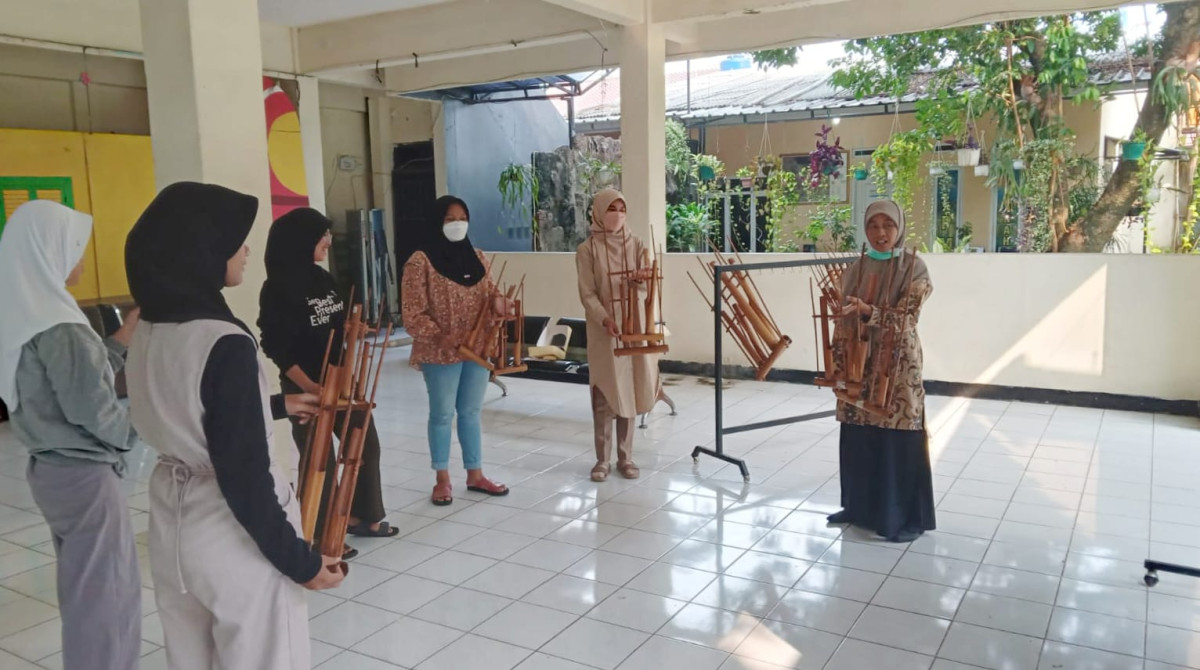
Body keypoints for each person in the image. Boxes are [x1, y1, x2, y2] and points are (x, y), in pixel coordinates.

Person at [124, 182, 344, 670]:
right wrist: (301, 563)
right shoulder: (223, 341)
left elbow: (188, 411)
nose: (246, 250)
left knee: (191, 658)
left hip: (173, 526)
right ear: (202, 249)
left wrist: (278, 405)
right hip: (231, 537)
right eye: (235, 239)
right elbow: (243, 476)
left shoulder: (150, 330)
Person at [0, 200, 142, 670]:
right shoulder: (61, 325)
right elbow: (93, 409)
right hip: (84, 477)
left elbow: (76, 379)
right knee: (107, 599)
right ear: (50, 251)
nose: (80, 258)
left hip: (51, 470)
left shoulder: (26, 315)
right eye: (75, 247)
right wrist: (141, 429)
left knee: (85, 591)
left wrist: (121, 340)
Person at [258, 207, 398, 556]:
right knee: (320, 458)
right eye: (322, 235)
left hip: (342, 378)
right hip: (305, 384)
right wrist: (310, 387)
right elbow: (276, 346)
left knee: (365, 444)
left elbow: (336, 323)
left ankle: (365, 516)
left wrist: (354, 331)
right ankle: (322, 534)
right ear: (301, 240)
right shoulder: (276, 287)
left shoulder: (323, 278)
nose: (328, 241)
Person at [826, 199, 936, 543]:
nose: (880, 233)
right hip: (861, 359)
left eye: (888, 225)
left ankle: (899, 516)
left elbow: (907, 318)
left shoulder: (914, 267)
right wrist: (839, 358)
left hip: (897, 363)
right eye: (873, 225)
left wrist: (868, 311)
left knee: (896, 432)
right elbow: (845, 315)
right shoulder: (856, 268)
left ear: (899, 227)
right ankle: (858, 507)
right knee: (859, 432)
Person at [401, 195, 509, 506]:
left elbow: (491, 293)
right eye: (450, 219)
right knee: (442, 414)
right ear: (437, 222)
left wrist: (501, 303)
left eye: (462, 217)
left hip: (476, 349)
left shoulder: (476, 256)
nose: (458, 223)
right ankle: (442, 479)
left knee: (471, 412)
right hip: (440, 352)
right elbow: (412, 313)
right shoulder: (420, 261)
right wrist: (438, 335)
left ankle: (475, 474)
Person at [575, 188, 659, 482]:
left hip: (632, 327)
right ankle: (602, 459)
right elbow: (588, 294)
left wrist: (642, 280)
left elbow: (647, 287)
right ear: (599, 211)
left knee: (630, 389)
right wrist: (605, 318)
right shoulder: (587, 250)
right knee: (605, 392)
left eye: (622, 209)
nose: (618, 215)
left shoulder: (636, 244)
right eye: (612, 209)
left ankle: (626, 456)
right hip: (603, 331)